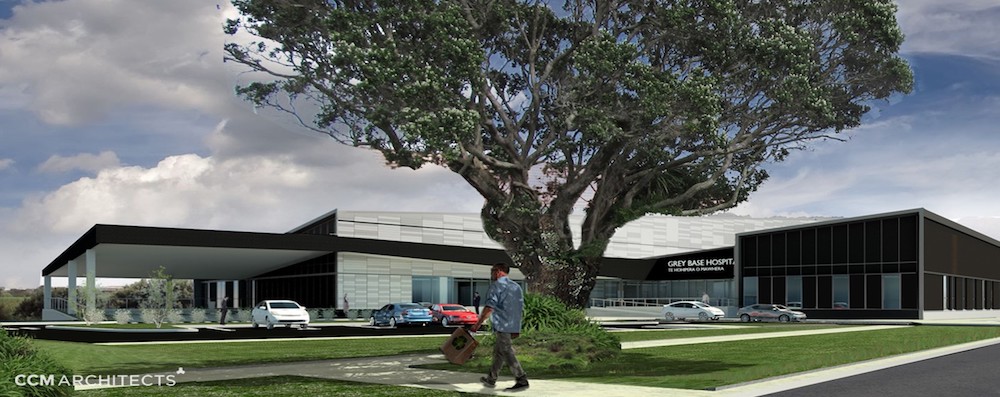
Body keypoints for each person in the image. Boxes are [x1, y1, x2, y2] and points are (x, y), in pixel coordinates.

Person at [472, 263, 529, 391]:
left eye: (492, 271)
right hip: (512, 325)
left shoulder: (496, 286)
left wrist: (477, 324)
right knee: (499, 352)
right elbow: (519, 308)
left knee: (507, 351)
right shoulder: (516, 287)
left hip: (503, 325)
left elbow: (489, 308)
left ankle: (521, 378)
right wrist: (516, 328)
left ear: (498, 271)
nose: (491, 274)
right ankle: (491, 379)